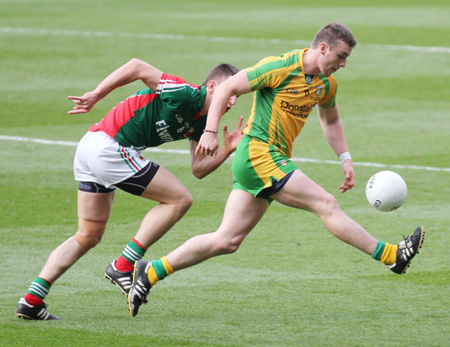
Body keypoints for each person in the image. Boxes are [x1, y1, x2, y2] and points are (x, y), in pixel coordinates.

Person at [127, 23, 425, 317]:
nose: (344, 64)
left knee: (226, 240)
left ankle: (150, 271)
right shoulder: (280, 66)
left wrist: (344, 157)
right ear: (323, 48)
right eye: (341, 56)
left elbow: (330, 120)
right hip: (258, 152)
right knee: (325, 203)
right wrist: (210, 131)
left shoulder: (326, 84)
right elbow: (228, 87)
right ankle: (391, 255)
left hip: (266, 160)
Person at [16, 58, 245, 320]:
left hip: (94, 148)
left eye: (237, 96)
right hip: (109, 146)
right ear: (212, 87)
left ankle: (32, 300)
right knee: (179, 200)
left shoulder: (204, 122)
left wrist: (227, 149)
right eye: (230, 92)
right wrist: (96, 95)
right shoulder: (185, 93)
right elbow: (137, 66)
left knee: (88, 235)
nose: (233, 101)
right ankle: (123, 265)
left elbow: (199, 169)